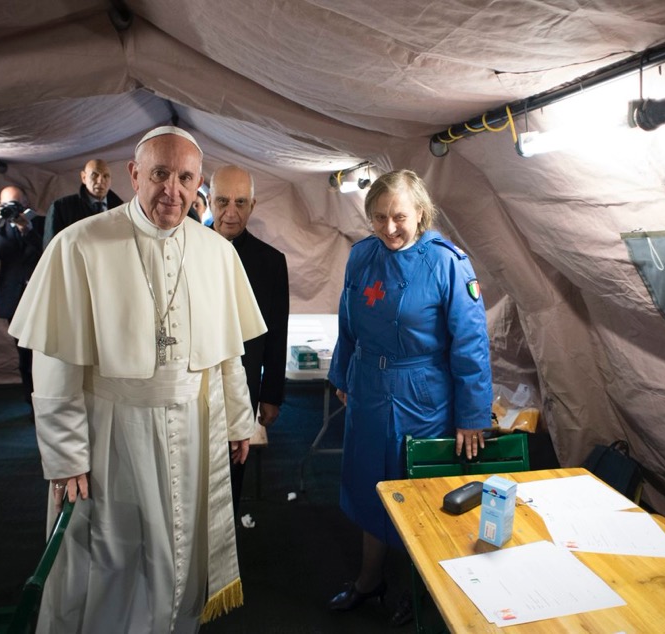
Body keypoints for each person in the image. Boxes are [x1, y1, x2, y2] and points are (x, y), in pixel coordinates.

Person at [8, 126, 266, 633]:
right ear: (134, 175)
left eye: (186, 178)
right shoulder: (79, 244)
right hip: (112, 430)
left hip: (194, 429)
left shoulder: (217, 252)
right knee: (111, 552)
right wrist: (65, 453)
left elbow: (227, 354)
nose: (173, 189)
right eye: (160, 174)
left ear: (199, 186)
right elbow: (56, 361)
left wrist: (240, 421)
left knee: (183, 550)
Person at [326, 170, 493, 625]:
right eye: (378, 218)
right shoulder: (362, 257)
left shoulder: (447, 263)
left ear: (420, 213)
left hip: (424, 397)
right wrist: (341, 373)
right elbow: (347, 322)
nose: (389, 228)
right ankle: (370, 579)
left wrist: (473, 415)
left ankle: (419, 589)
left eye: (398, 216)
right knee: (369, 488)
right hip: (370, 392)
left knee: (417, 496)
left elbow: (470, 343)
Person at [209, 165, 289, 516]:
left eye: (240, 202)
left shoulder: (271, 262)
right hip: (193, 386)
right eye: (223, 201)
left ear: (253, 205)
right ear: (209, 201)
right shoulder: (181, 252)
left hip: (244, 385)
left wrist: (271, 394)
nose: (231, 212)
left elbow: (277, 331)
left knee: (233, 472)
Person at [0, 185, 44, 404]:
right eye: (6, 205)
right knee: (24, 355)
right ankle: (32, 404)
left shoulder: (40, 223)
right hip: (14, 301)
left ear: (25, 204)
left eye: (14, 204)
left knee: (46, 354)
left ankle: (50, 399)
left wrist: (28, 230)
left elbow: (49, 252)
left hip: (42, 298)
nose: (11, 209)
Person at [42, 158, 123, 246]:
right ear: (83, 177)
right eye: (94, 175)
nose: (100, 181)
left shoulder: (121, 209)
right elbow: (50, 249)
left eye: (106, 176)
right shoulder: (61, 208)